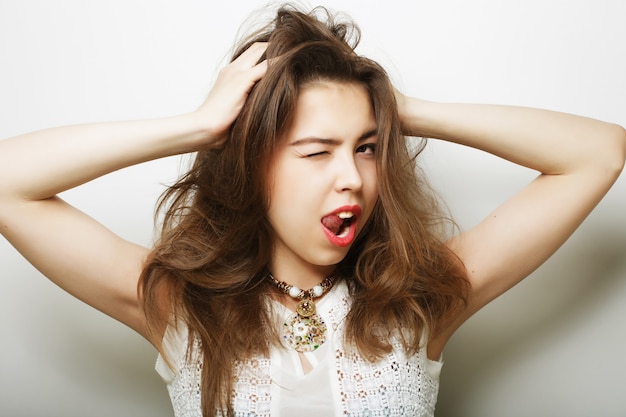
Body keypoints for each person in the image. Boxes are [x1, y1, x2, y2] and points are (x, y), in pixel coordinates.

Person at [0, 4, 624, 417]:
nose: (351, 177)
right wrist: (199, 126)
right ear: (251, 163)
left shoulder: (420, 302)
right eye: (316, 151)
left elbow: (600, 152)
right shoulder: (179, 306)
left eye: (367, 149)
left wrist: (401, 109)